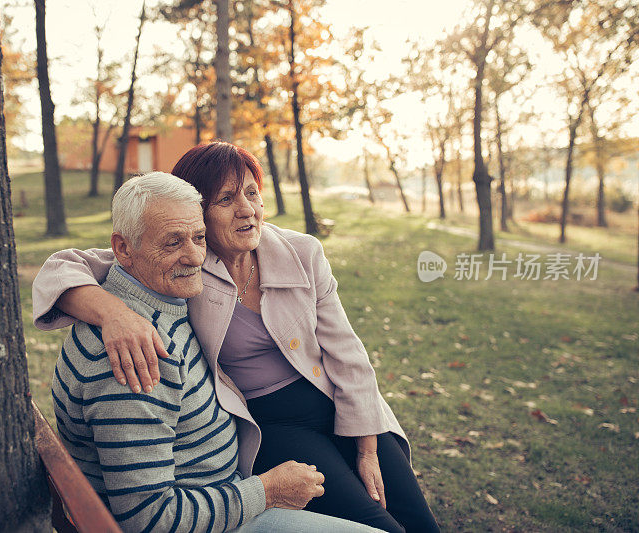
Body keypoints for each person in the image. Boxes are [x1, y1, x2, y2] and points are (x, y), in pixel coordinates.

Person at [35, 143, 440, 532]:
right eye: (226, 199)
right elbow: (63, 267)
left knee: (417, 518)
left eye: (252, 193)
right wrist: (114, 313)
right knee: (377, 522)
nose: (246, 209)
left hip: (339, 398)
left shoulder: (300, 252)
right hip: (272, 421)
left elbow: (349, 356)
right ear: (201, 211)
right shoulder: (185, 259)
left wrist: (366, 450)